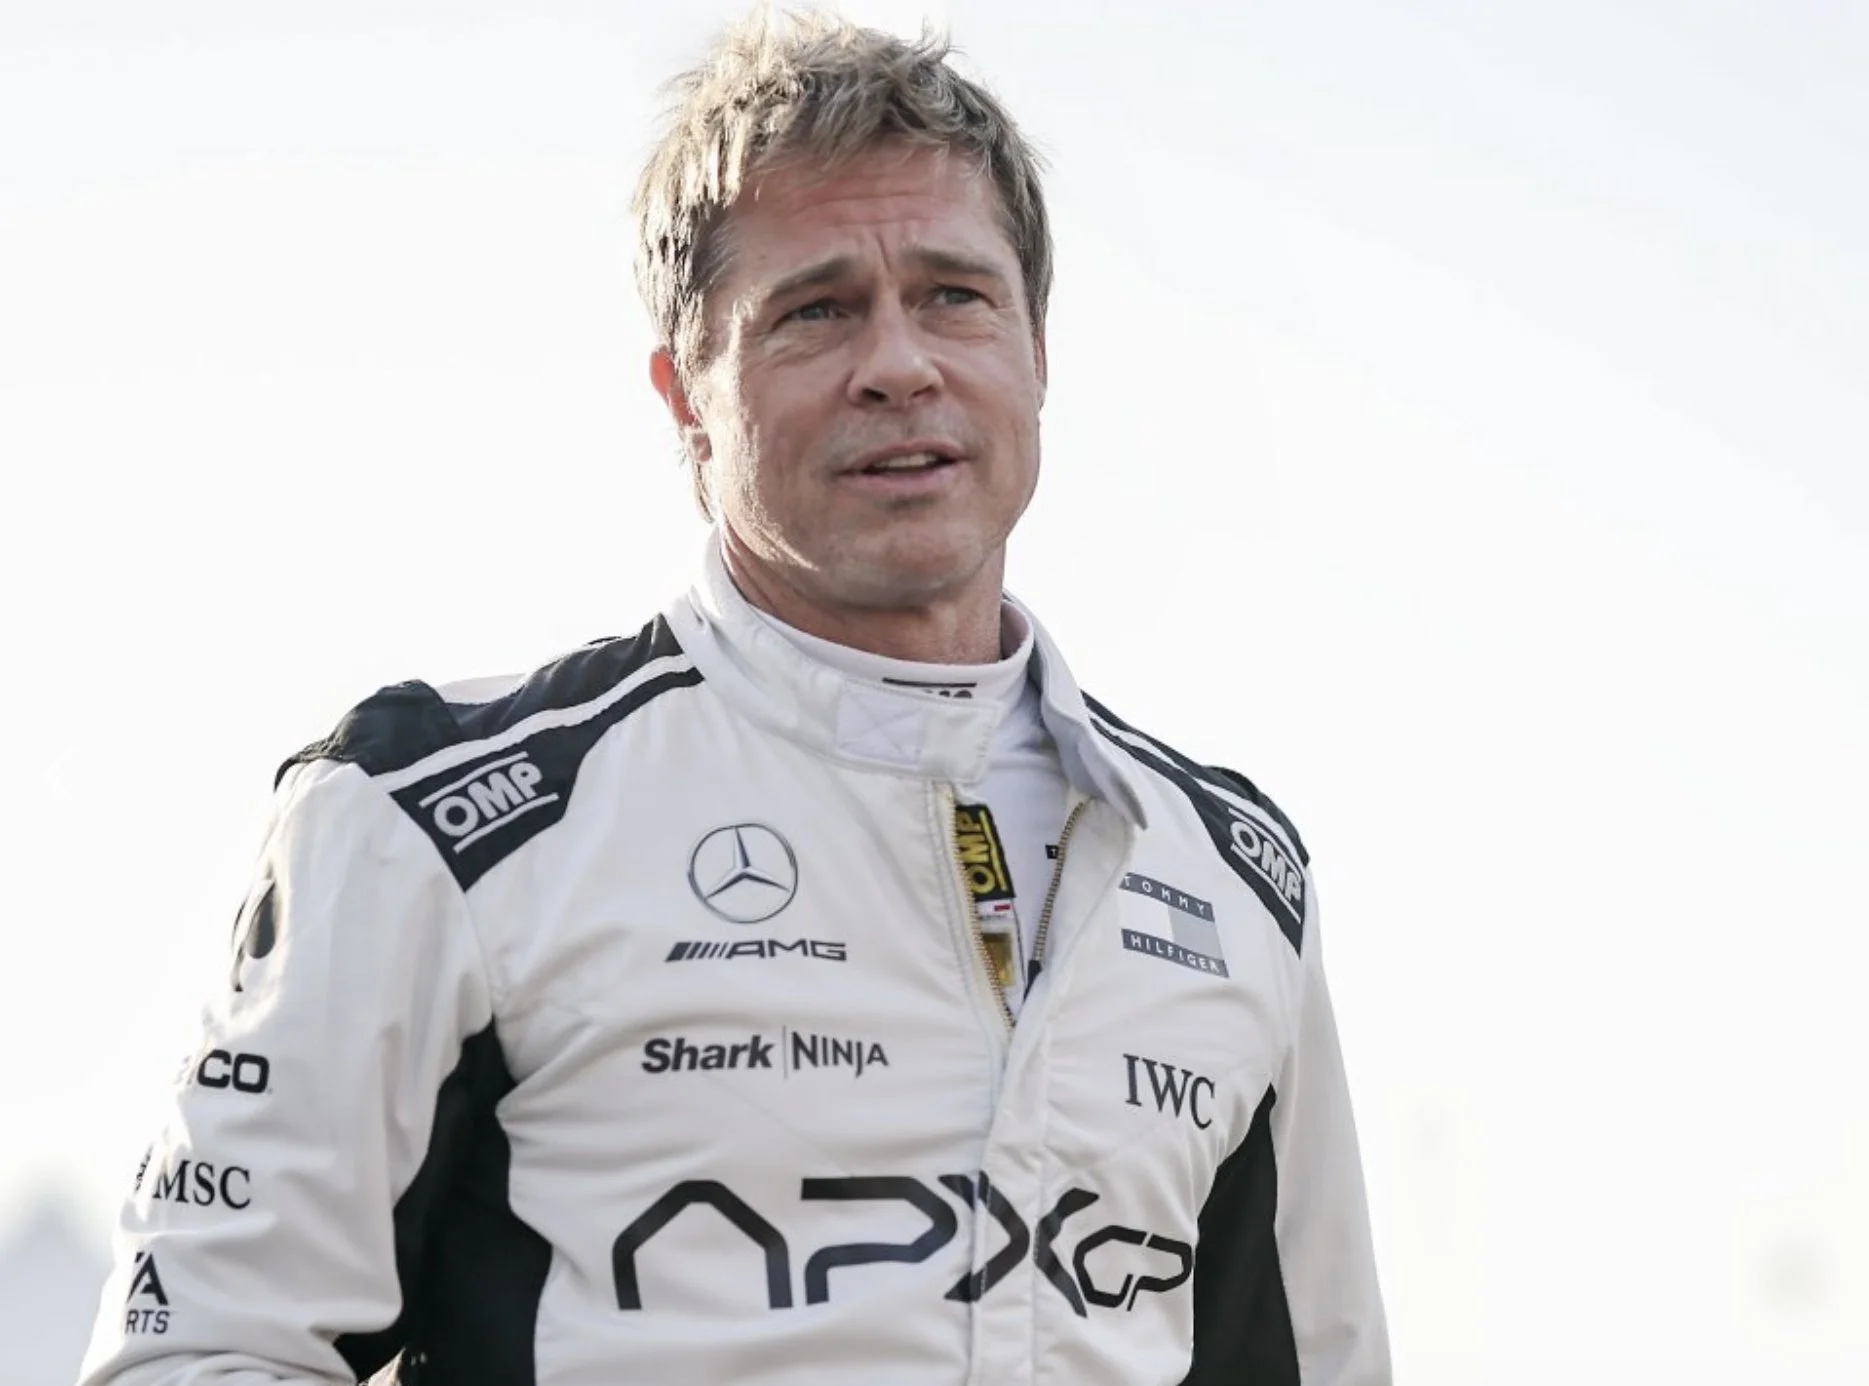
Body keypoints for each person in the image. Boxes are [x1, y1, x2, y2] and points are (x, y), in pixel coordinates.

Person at [80, 12, 1390, 1385]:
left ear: (1039, 353)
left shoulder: (1237, 878)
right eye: (818, 309)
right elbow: (199, 1353)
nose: (900, 363)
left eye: (955, 295)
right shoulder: (433, 824)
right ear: (685, 396)